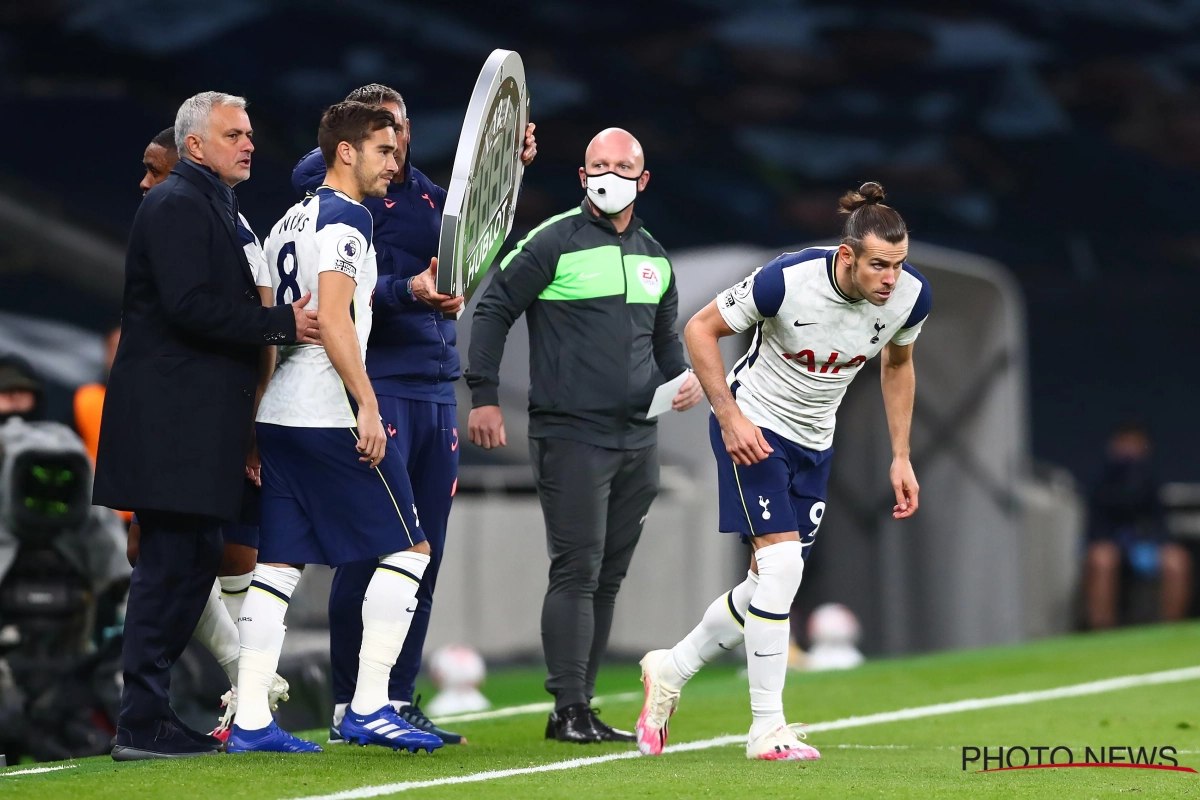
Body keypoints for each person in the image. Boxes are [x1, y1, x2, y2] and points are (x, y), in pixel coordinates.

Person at [635, 182, 931, 762]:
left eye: (898, 264)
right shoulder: (786, 279)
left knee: (769, 583)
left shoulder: (911, 297)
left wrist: (901, 455)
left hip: (816, 444)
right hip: (755, 429)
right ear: (847, 256)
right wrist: (729, 417)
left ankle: (668, 670)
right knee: (782, 565)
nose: (891, 278)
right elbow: (700, 329)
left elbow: (898, 365)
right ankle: (767, 728)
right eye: (879, 265)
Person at [291, 84, 536, 745]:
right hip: (384, 380)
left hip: (435, 386)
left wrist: (504, 173)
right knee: (370, 549)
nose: (395, 144)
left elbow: (470, 234)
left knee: (421, 555)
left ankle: (394, 697)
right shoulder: (334, 184)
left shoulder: (428, 193)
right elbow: (343, 282)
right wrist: (409, 290)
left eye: (402, 129)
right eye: (383, 132)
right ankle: (349, 703)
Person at [94, 91, 319, 761]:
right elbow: (189, 307)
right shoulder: (174, 205)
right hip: (172, 424)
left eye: (249, 133)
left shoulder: (211, 205)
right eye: (233, 134)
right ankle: (139, 721)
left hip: (196, 423)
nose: (248, 143)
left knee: (190, 562)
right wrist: (282, 322)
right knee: (168, 567)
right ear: (196, 146)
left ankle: (151, 715)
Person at [466, 128, 704, 743]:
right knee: (576, 569)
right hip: (572, 434)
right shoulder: (552, 241)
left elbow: (664, 340)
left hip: (637, 438)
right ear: (582, 174)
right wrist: (485, 397)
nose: (609, 174)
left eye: (621, 165)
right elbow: (492, 308)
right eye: (598, 164)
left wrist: (684, 379)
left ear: (642, 179)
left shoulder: (654, 255)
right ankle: (567, 708)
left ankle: (580, 705)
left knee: (607, 576)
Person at [228, 101, 441, 756]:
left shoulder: (284, 221)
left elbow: (273, 327)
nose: (394, 162)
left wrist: (256, 421)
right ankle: (370, 706)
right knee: (409, 551)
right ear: (344, 153)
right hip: (327, 415)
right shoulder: (347, 218)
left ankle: (251, 719)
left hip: (280, 416)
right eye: (382, 149)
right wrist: (368, 406)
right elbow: (338, 318)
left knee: (279, 566)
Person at [1084, 423, 1192, 628]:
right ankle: (1101, 631)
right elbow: (1096, 526)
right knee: (1102, 560)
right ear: (1114, 445)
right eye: (1126, 443)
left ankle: (1171, 630)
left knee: (1177, 561)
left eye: (1137, 444)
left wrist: (1156, 542)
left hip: (1145, 544)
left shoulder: (1149, 479)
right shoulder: (1100, 480)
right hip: (1111, 542)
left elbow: (1159, 522)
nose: (1131, 449)